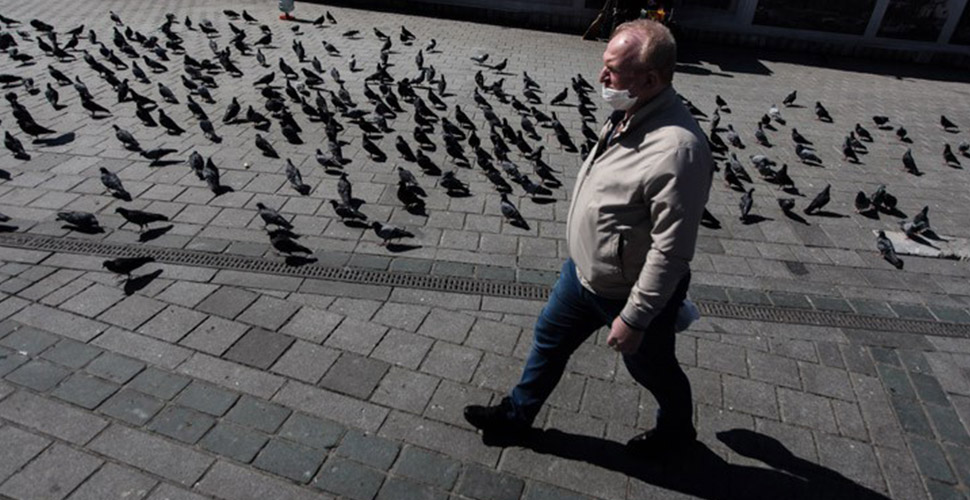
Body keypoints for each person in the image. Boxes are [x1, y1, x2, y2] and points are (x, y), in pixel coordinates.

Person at [464, 19, 713, 456]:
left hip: (628, 291)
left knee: (653, 370)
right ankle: (516, 417)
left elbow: (671, 250)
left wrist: (635, 318)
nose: (602, 77)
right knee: (548, 340)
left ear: (650, 79)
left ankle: (677, 433)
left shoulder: (678, 150)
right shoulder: (631, 112)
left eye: (612, 70)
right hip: (581, 275)